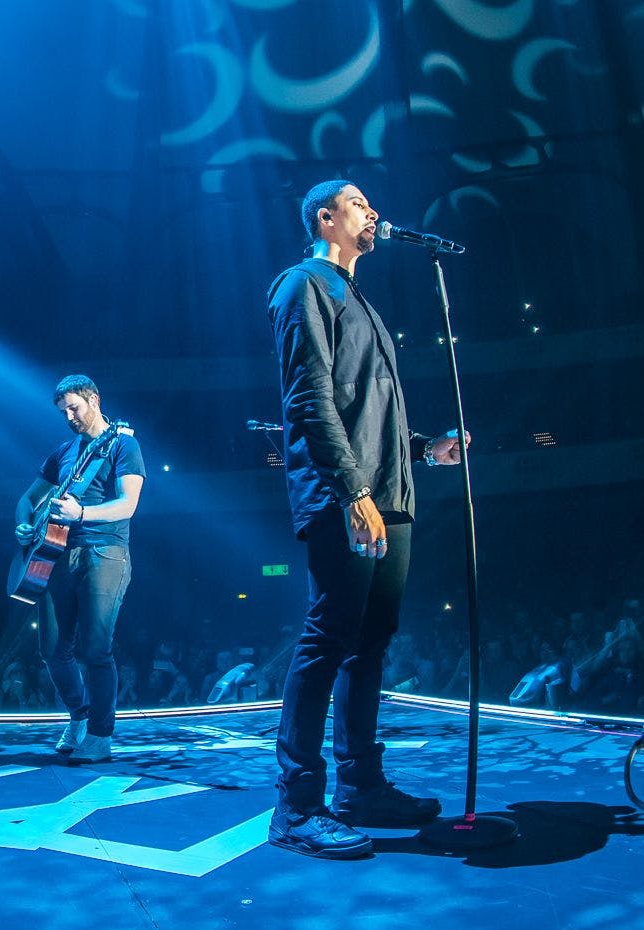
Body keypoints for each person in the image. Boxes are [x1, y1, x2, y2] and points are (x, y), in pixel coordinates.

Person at [266, 180, 468, 858]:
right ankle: (295, 808)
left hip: (389, 491)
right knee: (328, 638)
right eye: (359, 206)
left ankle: (360, 785)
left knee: (370, 641)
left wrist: (418, 451)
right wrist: (351, 490)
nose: (373, 213)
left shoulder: (359, 300)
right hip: (344, 496)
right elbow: (309, 401)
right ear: (325, 219)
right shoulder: (303, 287)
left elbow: (366, 411)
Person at [13, 375, 145, 761]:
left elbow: (127, 504)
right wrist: (23, 523)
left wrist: (82, 512)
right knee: (52, 649)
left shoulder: (124, 444)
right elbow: (28, 498)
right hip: (55, 555)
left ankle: (101, 735)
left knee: (95, 650)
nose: (69, 416)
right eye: (63, 412)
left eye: (74, 407)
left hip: (105, 553)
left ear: (94, 399)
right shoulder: (63, 452)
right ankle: (79, 716)